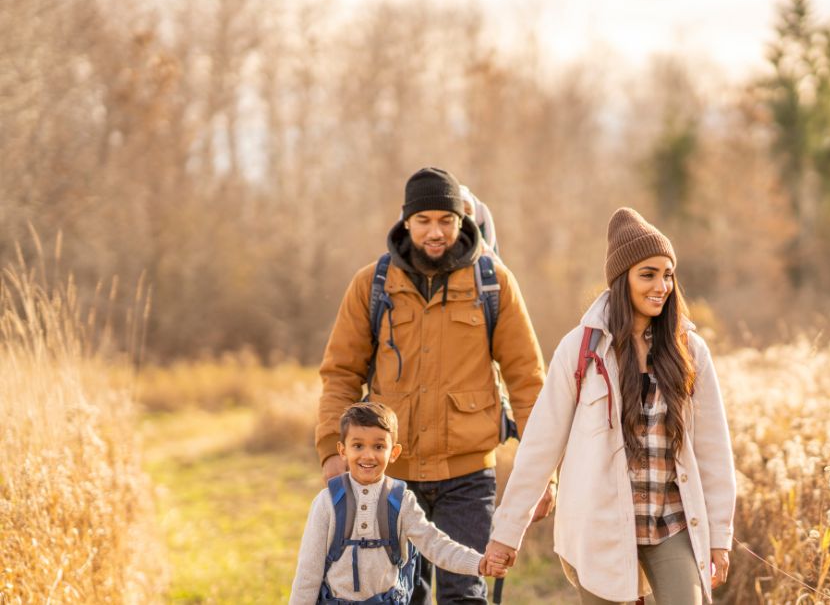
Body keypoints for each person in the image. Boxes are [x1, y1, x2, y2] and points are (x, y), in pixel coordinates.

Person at [316, 167, 555, 604]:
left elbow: (528, 380)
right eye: (424, 220)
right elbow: (341, 374)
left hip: (467, 476)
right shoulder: (371, 285)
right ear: (406, 220)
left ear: (461, 221)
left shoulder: (493, 283)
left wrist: (542, 473)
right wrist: (333, 450)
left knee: (464, 591)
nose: (435, 231)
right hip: (391, 474)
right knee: (399, 594)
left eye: (446, 220)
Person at [485, 208, 737, 604]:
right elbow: (540, 446)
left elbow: (714, 451)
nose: (662, 286)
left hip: (669, 522)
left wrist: (719, 537)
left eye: (667, 274)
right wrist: (506, 533)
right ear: (623, 280)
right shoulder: (581, 349)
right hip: (600, 526)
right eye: (648, 274)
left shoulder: (689, 350)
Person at [290, 402, 509, 604]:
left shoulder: (401, 500)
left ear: (393, 452)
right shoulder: (327, 502)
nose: (368, 456)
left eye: (378, 447)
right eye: (357, 446)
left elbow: (435, 544)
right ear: (342, 450)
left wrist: (478, 563)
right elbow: (309, 571)